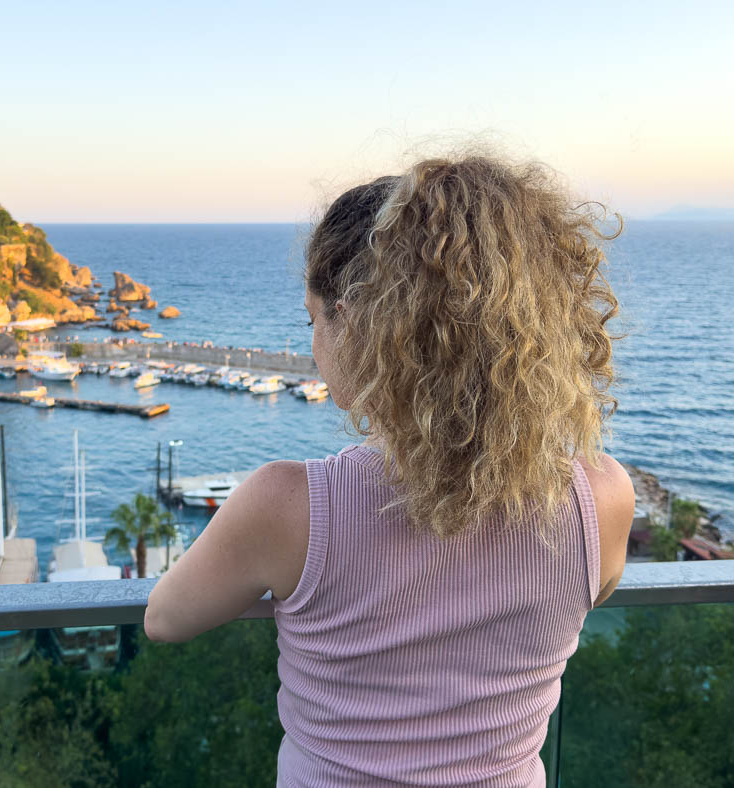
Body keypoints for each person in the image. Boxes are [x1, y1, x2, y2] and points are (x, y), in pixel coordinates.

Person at [145, 154, 636, 786]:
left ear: (362, 330)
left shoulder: (287, 506)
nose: (312, 343)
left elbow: (165, 619)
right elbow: (594, 590)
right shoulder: (601, 497)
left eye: (314, 319)